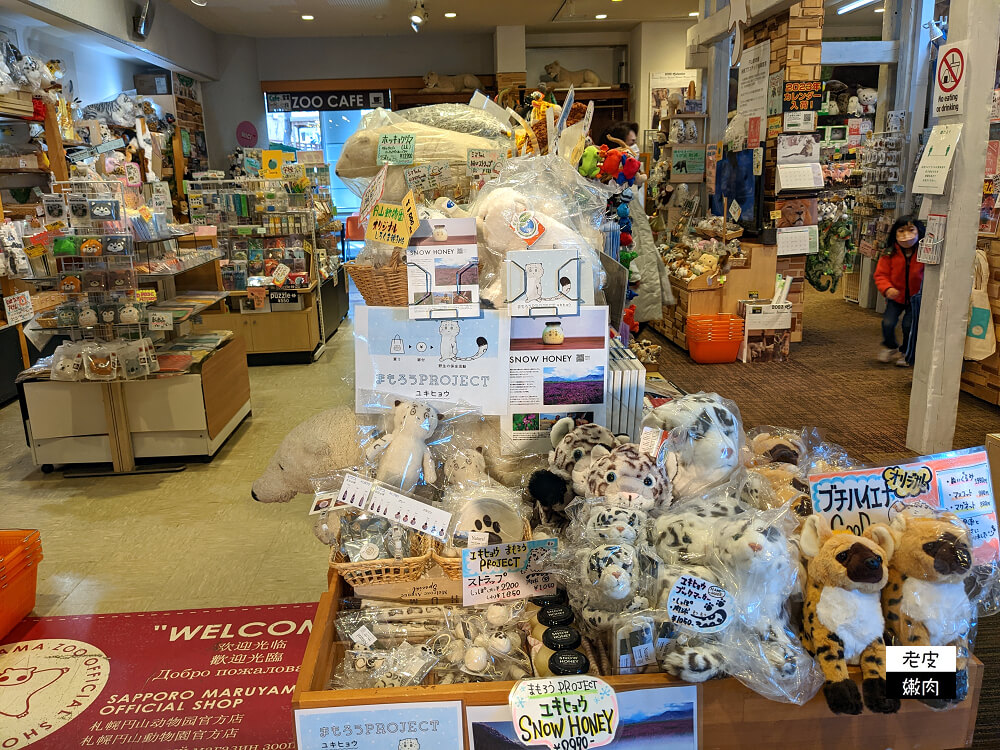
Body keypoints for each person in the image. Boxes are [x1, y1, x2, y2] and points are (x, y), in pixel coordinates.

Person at [873, 216, 925, 366]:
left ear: (918, 231)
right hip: (895, 297)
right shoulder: (889, 254)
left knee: (909, 325)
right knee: (887, 323)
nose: (906, 235)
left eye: (910, 230)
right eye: (901, 231)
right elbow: (881, 275)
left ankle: (906, 352)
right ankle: (890, 346)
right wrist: (887, 288)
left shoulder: (923, 253)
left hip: (916, 298)